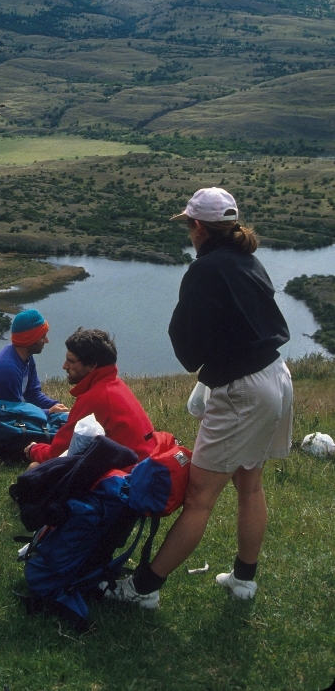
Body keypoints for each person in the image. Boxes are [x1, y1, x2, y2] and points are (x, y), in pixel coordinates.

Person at [103, 187, 292, 609]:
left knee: (198, 498)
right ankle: (244, 580)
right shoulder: (248, 260)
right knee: (250, 483)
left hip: (243, 388)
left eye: (189, 224)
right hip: (276, 376)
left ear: (199, 227)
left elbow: (187, 349)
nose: (189, 232)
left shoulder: (205, 270)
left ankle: (143, 588)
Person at [24, 328, 156, 466]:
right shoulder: (114, 385)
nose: (65, 366)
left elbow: (55, 454)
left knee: (36, 467)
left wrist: (34, 449)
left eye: (71, 361)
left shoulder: (96, 397)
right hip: (144, 468)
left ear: (92, 365)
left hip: (130, 477)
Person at [0, 309, 68, 415]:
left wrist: (56, 407)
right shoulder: (7, 368)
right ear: (30, 339)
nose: (47, 340)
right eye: (42, 336)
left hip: (5, 420)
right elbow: (14, 412)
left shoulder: (26, 357)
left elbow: (33, 394)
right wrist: (48, 412)